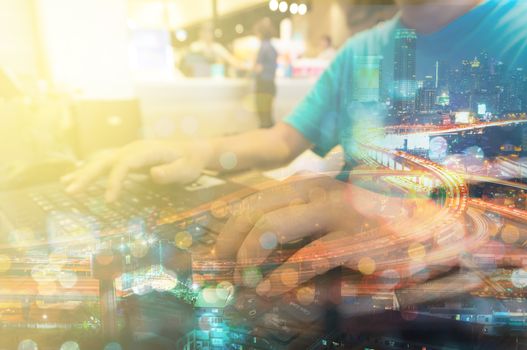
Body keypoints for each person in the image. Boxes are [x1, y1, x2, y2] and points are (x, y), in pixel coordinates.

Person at [63, 0, 527, 297]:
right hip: (323, 271)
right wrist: (198, 151)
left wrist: (415, 222)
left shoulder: (517, 29)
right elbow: (284, 139)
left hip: (455, 291)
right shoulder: (362, 49)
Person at [253, 18, 278, 128]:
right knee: (268, 116)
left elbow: (258, 68)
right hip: (271, 85)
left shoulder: (263, 47)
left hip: (263, 85)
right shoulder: (272, 47)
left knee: (263, 118)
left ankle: (266, 143)